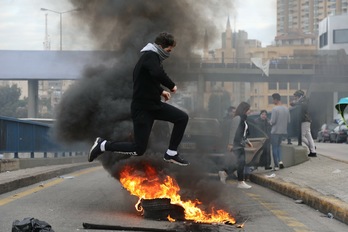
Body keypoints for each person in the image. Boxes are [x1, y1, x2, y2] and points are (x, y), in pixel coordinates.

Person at [88, 32, 189, 166]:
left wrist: (161, 91)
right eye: (168, 50)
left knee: (182, 118)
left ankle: (171, 153)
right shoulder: (150, 56)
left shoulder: (152, 58)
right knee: (138, 149)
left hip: (154, 106)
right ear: (160, 46)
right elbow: (157, 73)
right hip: (143, 109)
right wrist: (171, 86)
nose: (169, 54)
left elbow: (146, 80)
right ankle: (103, 145)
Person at [219, 102, 253, 189]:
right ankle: (240, 182)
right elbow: (233, 132)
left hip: (241, 144)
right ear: (244, 109)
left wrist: (247, 141)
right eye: (248, 109)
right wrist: (230, 144)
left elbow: (243, 133)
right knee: (240, 162)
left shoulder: (244, 119)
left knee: (240, 163)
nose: (250, 111)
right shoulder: (237, 118)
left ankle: (225, 173)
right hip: (236, 144)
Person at [291, 90, 317, 157]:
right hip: (306, 120)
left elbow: (303, 106)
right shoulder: (303, 100)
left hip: (305, 120)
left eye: (296, 96)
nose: (295, 98)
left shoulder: (304, 100)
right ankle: (313, 149)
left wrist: (295, 103)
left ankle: (312, 148)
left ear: (300, 96)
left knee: (302, 137)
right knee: (308, 135)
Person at [270, 93, 290, 170]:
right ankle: (280, 162)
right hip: (283, 131)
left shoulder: (275, 109)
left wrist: (269, 122)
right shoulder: (286, 109)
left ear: (275, 99)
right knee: (279, 147)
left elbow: (273, 121)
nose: (272, 101)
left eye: (273, 99)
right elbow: (288, 121)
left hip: (275, 131)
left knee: (274, 147)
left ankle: (275, 165)